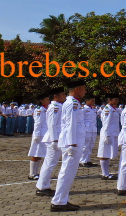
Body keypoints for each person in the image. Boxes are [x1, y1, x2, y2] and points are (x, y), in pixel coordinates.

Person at [50, 80, 86, 212]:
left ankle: (61, 200)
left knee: (68, 172)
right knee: (66, 172)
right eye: (83, 88)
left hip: (73, 141)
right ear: (76, 89)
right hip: (72, 142)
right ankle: (59, 202)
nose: (85, 91)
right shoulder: (72, 103)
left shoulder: (72, 102)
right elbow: (70, 124)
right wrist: (72, 143)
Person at [36, 87, 66, 197]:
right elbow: (52, 124)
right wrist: (54, 140)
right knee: (49, 164)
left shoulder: (59, 106)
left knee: (49, 163)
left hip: (57, 138)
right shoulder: (54, 107)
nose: (65, 96)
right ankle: (42, 187)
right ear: (56, 96)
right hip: (54, 138)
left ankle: (43, 186)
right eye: (63, 94)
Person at [97, 94, 121, 180]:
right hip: (107, 133)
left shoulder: (113, 109)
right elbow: (106, 122)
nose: (117, 101)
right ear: (110, 100)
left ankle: (106, 173)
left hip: (112, 133)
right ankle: (105, 174)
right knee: (104, 153)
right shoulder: (107, 109)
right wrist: (106, 135)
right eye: (115, 99)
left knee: (107, 153)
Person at [28, 93, 50, 181]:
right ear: (42, 100)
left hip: (44, 134)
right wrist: (36, 135)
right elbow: (37, 123)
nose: (49, 100)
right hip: (40, 134)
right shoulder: (39, 110)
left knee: (40, 154)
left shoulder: (45, 109)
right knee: (36, 153)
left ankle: (36, 172)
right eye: (47, 99)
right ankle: (32, 173)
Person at [79, 95, 99, 168]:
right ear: (87, 101)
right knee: (85, 145)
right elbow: (81, 120)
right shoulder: (84, 109)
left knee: (91, 145)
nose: (93, 102)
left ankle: (88, 159)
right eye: (92, 100)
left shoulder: (93, 109)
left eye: (94, 100)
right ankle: (82, 160)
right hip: (86, 129)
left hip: (93, 129)